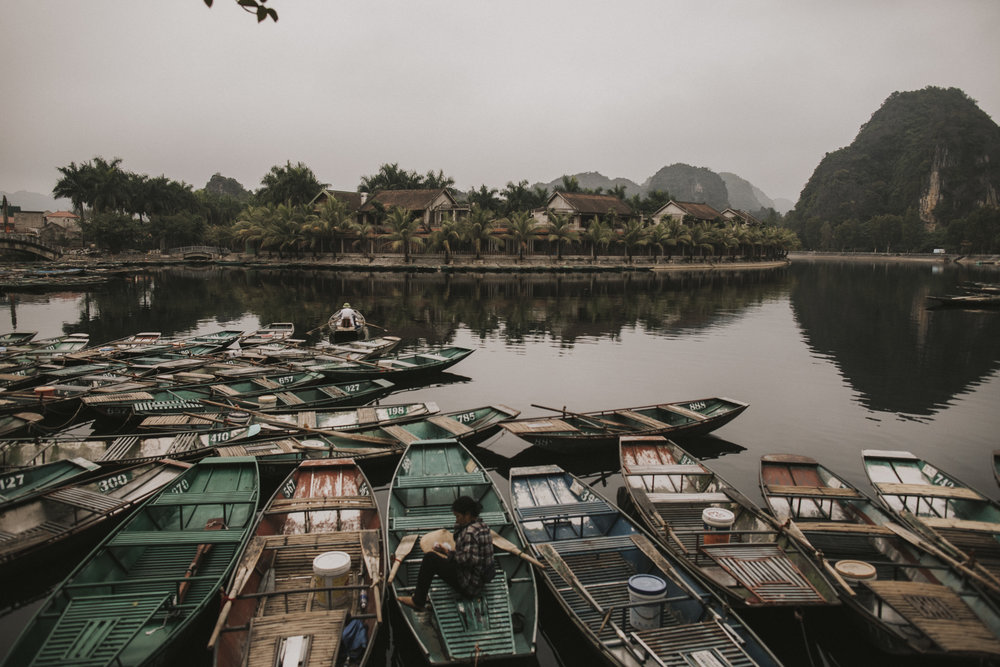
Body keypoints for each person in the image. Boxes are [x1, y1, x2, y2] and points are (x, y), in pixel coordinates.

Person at [398, 496, 495, 611]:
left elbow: (467, 560)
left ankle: (418, 601)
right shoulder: (484, 526)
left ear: (468, 514)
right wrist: (447, 551)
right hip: (479, 581)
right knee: (445, 557)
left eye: (458, 516)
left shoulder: (469, 533)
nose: (456, 520)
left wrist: (448, 553)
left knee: (430, 559)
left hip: (468, 586)